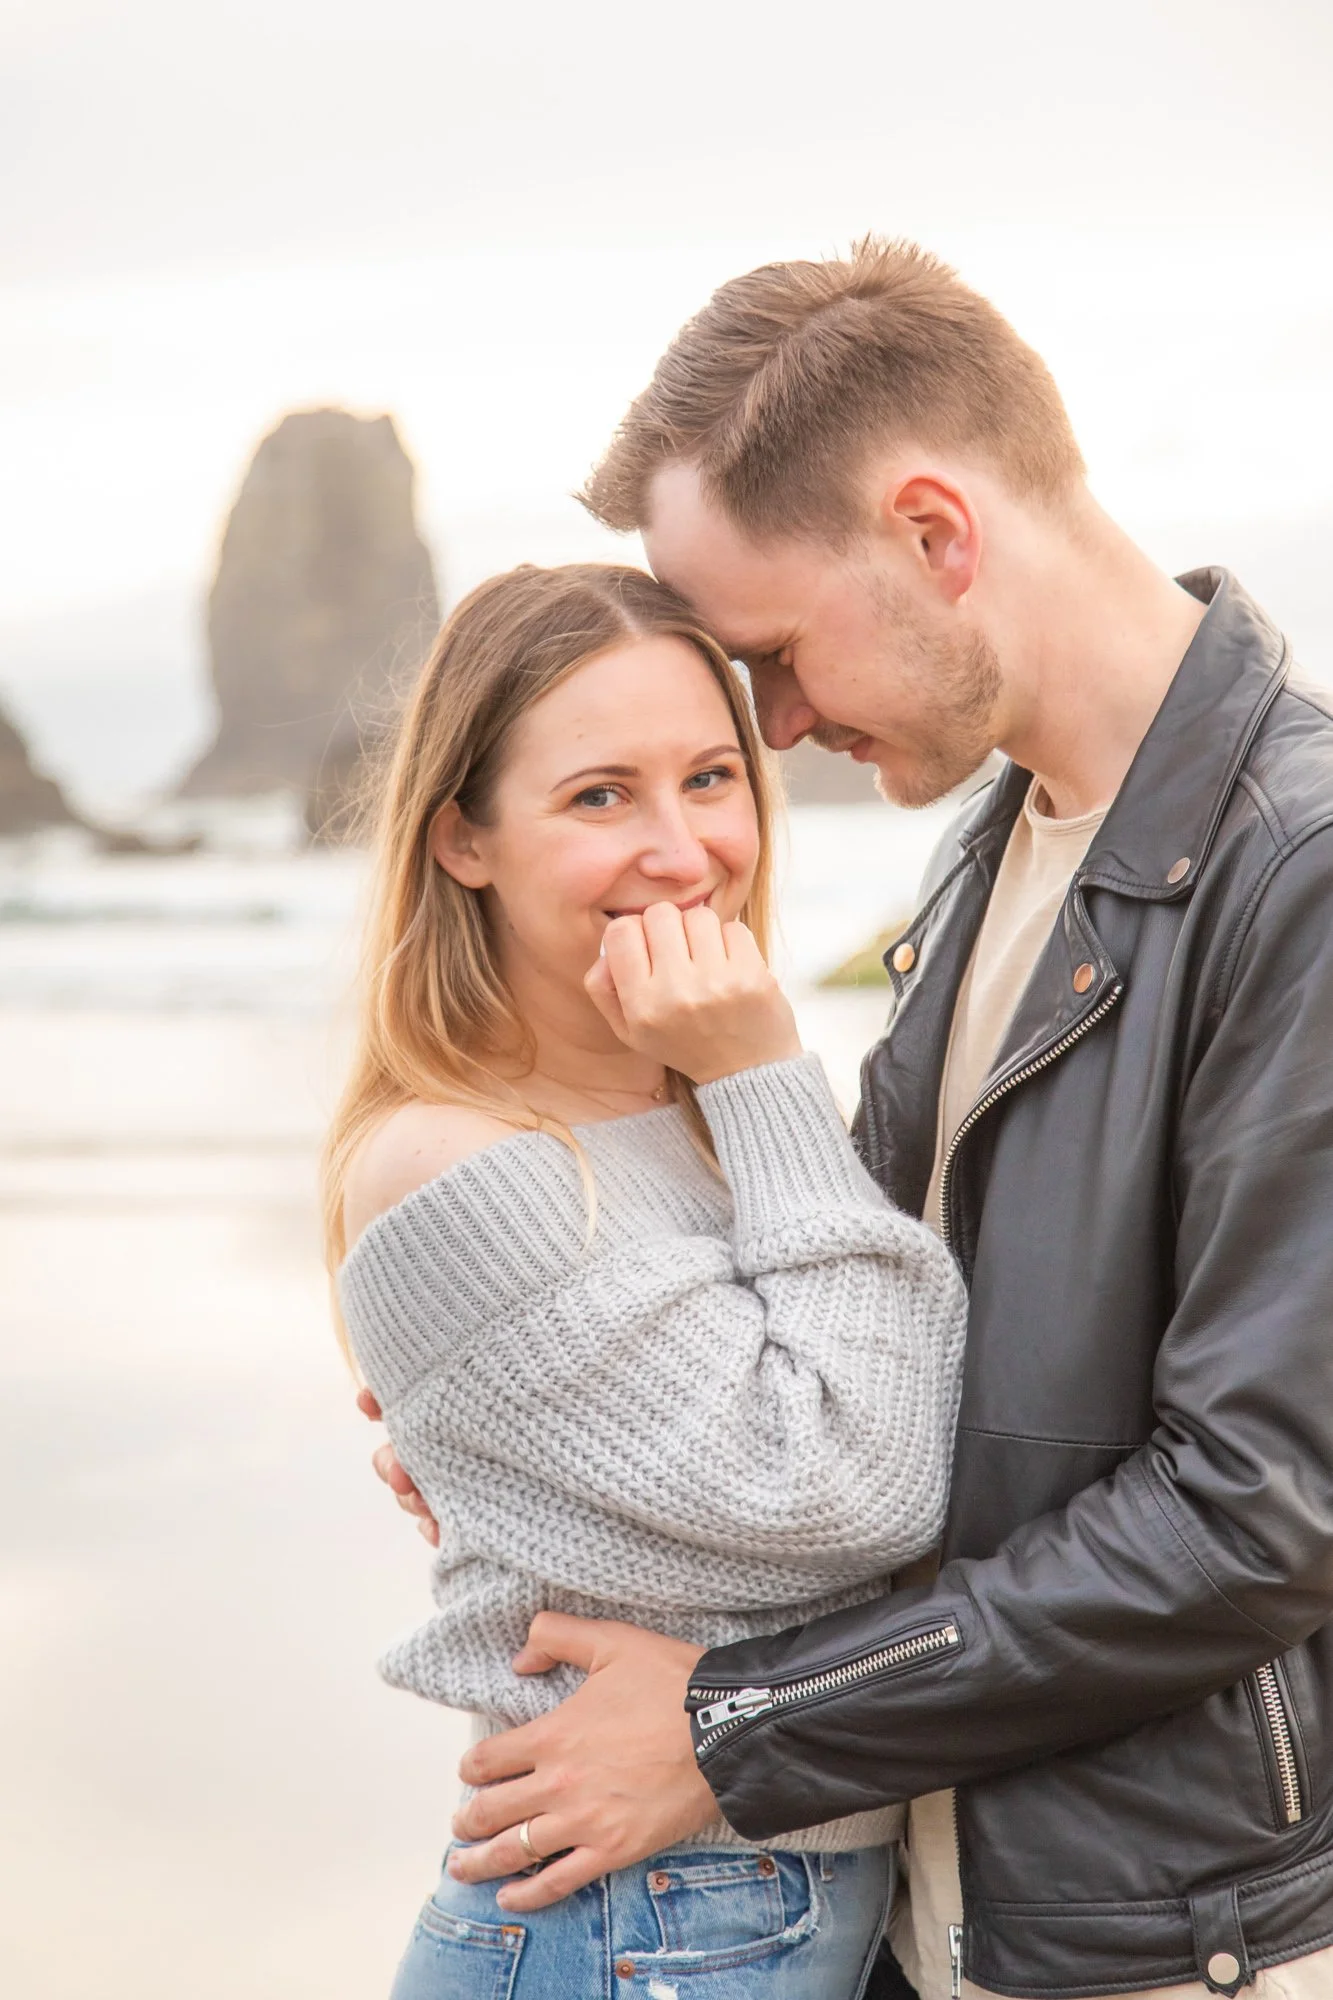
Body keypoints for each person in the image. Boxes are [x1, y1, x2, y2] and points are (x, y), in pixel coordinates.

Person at [371, 242, 1333, 1999]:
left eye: (775, 660)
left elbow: (1259, 1517)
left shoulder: (1304, 879)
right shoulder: (990, 851)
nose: (784, 732)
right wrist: (573, 1460)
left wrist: (738, 1730)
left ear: (935, 536)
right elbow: (873, 1324)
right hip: (931, 1899)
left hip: (1161, 1938)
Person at [326, 560, 969, 1999]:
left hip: (745, 1902)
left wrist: (749, 1094)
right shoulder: (453, 1157)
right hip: (631, 1924)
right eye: (599, 797)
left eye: (710, 779)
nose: (682, 851)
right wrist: (764, 1069)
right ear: (463, 841)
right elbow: (861, 1482)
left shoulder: (712, 1132)